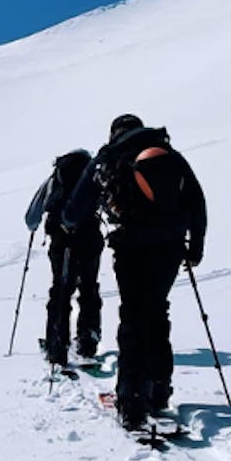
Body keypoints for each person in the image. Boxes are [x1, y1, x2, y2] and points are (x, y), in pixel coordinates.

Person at [63, 114, 206, 428]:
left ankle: (132, 402)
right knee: (157, 311)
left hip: (132, 248)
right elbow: (197, 201)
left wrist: (70, 222)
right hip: (170, 247)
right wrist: (195, 246)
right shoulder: (170, 155)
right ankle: (158, 391)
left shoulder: (108, 158)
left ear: (115, 133)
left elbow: (76, 208)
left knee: (134, 318)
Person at [24, 149, 105, 366]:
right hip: (90, 237)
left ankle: (57, 346)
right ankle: (88, 341)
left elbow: (31, 218)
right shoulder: (94, 176)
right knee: (89, 287)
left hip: (61, 241)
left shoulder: (54, 179)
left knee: (61, 289)